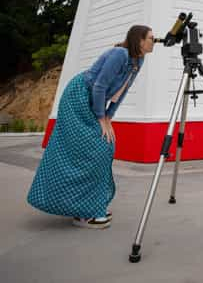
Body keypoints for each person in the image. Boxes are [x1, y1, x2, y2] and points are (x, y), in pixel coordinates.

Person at [27, 25, 154, 229]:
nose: (153, 42)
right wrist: (101, 117)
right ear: (139, 40)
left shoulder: (138, 60)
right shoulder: (119, 54)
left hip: (94, 101)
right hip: (78, 96)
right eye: (150, 38)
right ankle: (85, 212)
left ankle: (90, 205)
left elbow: (123, 91)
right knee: (94, 150)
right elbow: (99, 86)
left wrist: (109, 117)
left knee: (104, 148)